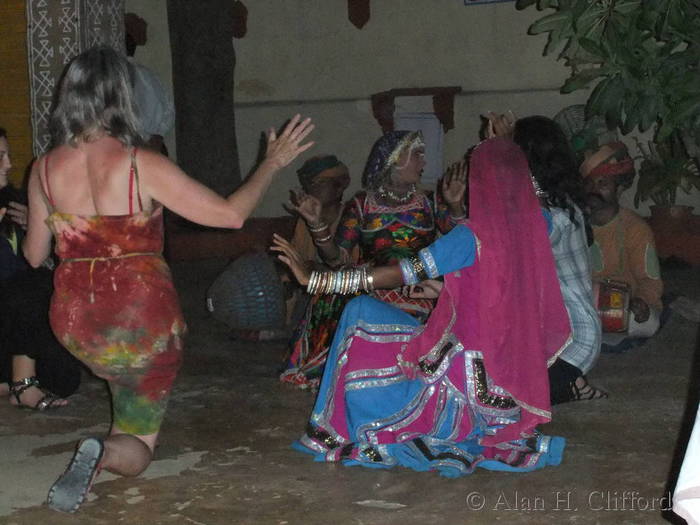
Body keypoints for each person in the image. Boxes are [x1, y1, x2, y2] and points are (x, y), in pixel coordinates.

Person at [22, 46, 313, 513]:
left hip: (77, 320)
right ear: (123, 97)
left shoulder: (43, 168)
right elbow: (231, 216)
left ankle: (110, 443)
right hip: (140, 316)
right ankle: (106, 453)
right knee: (137, 444)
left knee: (121, 380)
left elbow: (35, 255)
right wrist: (272, 163)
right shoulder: (140, 162)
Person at [271, 138, 571, 477]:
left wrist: (317, 282)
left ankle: (339, 428)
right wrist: (446, 288)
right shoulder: (539, 226)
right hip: (511, 382)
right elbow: (496, 282)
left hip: (466, 383)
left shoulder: (470, 235)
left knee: (359, 312)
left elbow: (399, 272)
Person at [282, 130, 466, 389]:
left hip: (420, 282)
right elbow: (338, 260)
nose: (423, 162)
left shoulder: (429, 202)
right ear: (394, 159)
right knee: (330, 296)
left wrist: (456, 206)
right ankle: (337, 370)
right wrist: (317, 225)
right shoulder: (362, 205)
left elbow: (461, 242)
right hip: (373, 282)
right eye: (417, 154)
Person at [490, 114, 605, 403]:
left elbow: (502, 247)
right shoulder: (554, 206)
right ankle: (570, 386)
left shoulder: (554, 216)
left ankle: (567, 383)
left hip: (570, 341)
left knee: (497, 403)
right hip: (543, 337)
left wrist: (501, 149)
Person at [0, 127, 81, 409]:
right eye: (1, 157)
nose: (9, 165)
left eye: (8, 155)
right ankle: (21, 385)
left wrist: (37, 224)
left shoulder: (14, 202)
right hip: (12, 308)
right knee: (33, 282)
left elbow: (51, 255)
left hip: (18, 320)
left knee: (64, 380)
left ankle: (9, 380)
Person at [279, 155, 355, 386]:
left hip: (344, 292)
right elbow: (296, 260)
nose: (311, 189)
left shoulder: (351, 217)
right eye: (309, 184)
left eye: (318, 183)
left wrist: (314, 269)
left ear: (339, 186)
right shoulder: (305, 221)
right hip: (311, 290)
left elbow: (352, 267)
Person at [581, 141, 663, 352]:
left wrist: (642, 301)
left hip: (625, 304)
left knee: (647, 323)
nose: (594, 190)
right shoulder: (574, 224)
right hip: (586, 303)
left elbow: (650, 280)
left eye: (603, 184)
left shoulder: (636, 228)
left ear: (619, 188)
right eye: (589, 184)